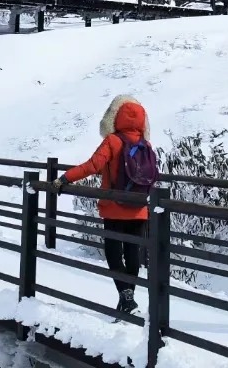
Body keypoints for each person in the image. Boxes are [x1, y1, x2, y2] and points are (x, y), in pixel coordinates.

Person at [52, 95, 152, 318]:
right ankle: (128, 300)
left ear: (115, 118)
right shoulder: (146, 144)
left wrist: (65, 178)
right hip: (139, 208)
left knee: (113, 252)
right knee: (132, 252)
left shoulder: (113, 141)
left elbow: (93, 165)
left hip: (115, 207)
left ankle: (126, 298)